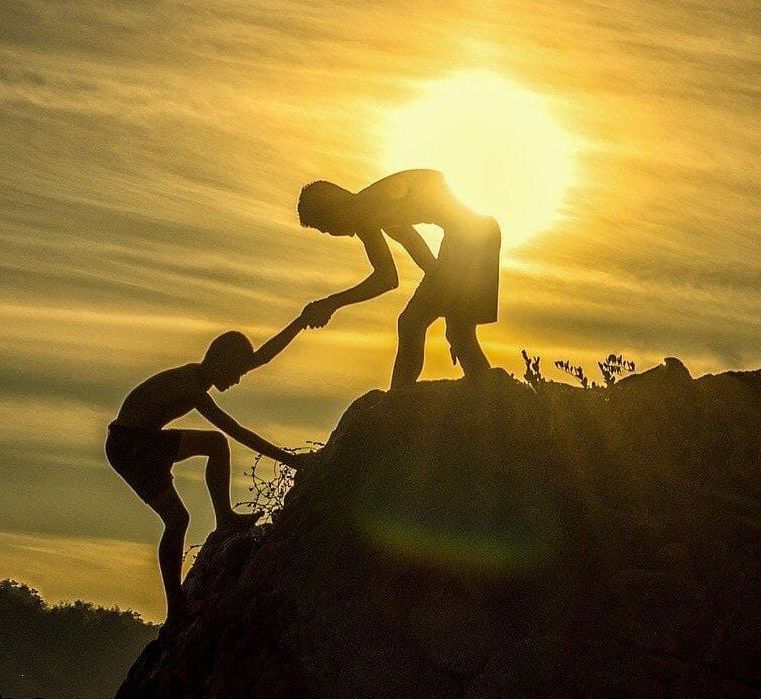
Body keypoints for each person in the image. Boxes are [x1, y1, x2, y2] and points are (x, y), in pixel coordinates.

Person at [107, 315, 310, 628]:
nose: (238, 380)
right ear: (221, 362)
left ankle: (224, 518)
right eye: (236, 372)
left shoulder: (200, 377)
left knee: (214, 446)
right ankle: (177, 607)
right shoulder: (190, 385)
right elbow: (235, 430)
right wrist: (289, 459)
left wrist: (301, 321)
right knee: (178, 519)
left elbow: (262, 358)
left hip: (142, 441)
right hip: (130, 446)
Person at [296, 168, 501, 388]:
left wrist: (331, 303)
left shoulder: (366, 210)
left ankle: (399, 397)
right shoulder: (370, 208)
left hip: (471, 240)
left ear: (332, 209)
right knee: (456, 333)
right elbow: (419, 257)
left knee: (413, 324)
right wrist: (449, 305)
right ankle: (484, 393)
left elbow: (386, 278)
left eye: (326, 227)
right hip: (477, 236)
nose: (332, 233)